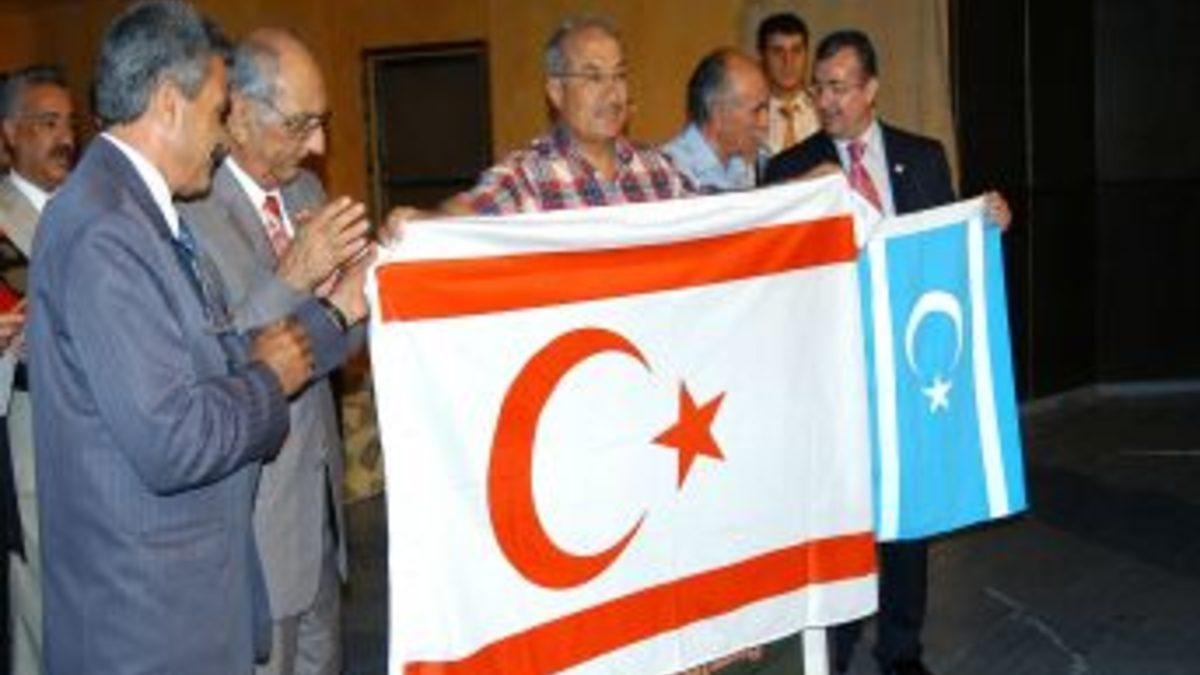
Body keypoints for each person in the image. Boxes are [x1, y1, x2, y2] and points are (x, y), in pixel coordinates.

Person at [28, 2, 365, 673]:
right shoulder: (105, 230)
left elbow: (211, 358)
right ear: (168, 103)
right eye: (217, 111)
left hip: (187, 598)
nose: (221, 135)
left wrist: (334, 316)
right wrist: (271, 377)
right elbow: (175, 439)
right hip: (149, 620)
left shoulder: (136, 211)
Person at [766, 30, 1010, 675]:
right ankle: (836, 646)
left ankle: (901, 648)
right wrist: (804, 197)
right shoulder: (790, 169)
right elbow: (771, 261)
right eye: (819, 87)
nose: (826, 101)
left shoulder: (922, 157)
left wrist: (986, 223)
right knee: (841, 512)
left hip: (906, 367)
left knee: (909, 510)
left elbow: (945, 248)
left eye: (839, 87)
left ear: (871, 88)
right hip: (833, 371)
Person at [178, 27, 370, 675]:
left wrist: (359, 294)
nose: (318, 146)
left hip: (319, 505)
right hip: (253, 521)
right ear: (239, 113)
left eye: (322, 122)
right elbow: (215, 359)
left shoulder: (307, 195)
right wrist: (295, 276)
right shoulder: (189, 210)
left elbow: (342, 340)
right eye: (299, 125)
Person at [442, 15, 692, 215]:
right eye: (594, 77)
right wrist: (428, 222)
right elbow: (456, 223)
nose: (613, 93)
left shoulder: (660, 170)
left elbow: (707, 223)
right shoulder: (525, 178)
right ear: (557, 92)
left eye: (619, 75)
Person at [0, 64, 76, 675]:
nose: (66, 138)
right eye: (48, 123)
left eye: (70, 123)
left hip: (107, 453)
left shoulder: (92, 210)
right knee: (42, 628)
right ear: (9, 132)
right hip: (31, 450)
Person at [661, 48, 769, 192]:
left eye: (766, 108)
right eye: (756, 111)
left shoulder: (748, 163)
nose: (765, 122)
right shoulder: (669, 173)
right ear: (718, 114)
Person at [757, 12, 819, 155]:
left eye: (796, 51)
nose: (788, 62)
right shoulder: (748, 114)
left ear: (807, 55)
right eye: (778, 51)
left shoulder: (824, 109)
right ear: (762, 56)